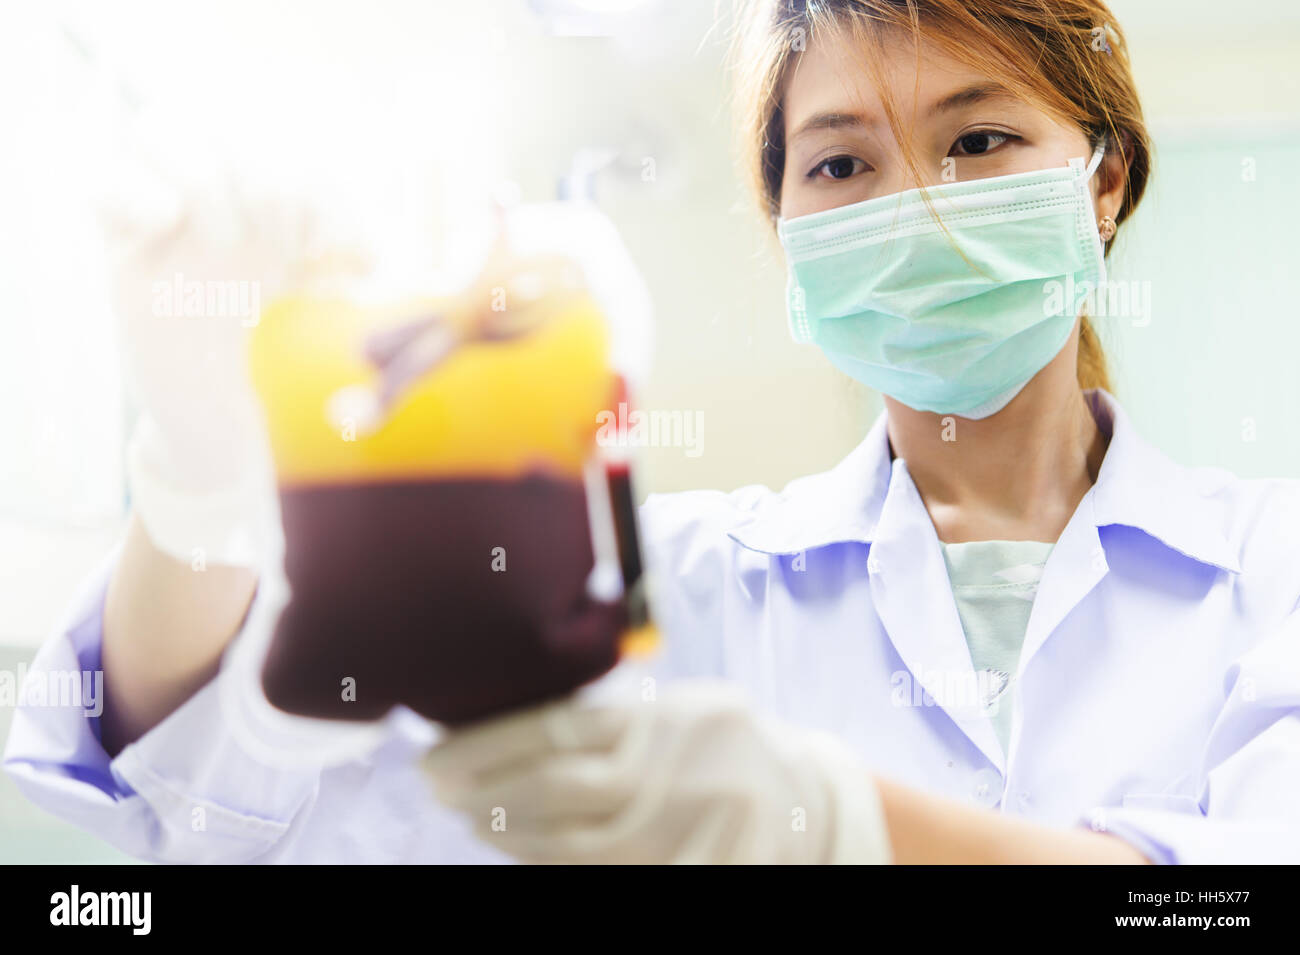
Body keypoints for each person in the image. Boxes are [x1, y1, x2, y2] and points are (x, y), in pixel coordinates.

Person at [7, 0, 1300, 864]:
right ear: (785, 225)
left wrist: (831, 827)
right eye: (843, 164)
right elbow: (225, 795)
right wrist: (202, 465)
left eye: (979, 137)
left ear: (1105, 175)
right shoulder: (664, 583)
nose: (919, 207)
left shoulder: (1273, 565)